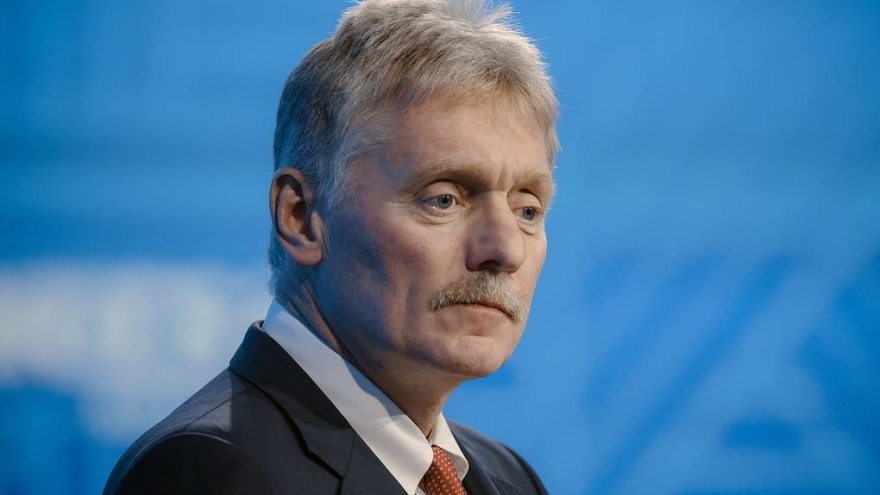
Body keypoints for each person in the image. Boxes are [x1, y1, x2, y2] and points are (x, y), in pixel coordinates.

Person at [103, 0, 558, 493]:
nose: (505, 250)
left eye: (527, 210)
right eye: (443, 199)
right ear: (301, 218)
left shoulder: (510, 479)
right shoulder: (210, 471)